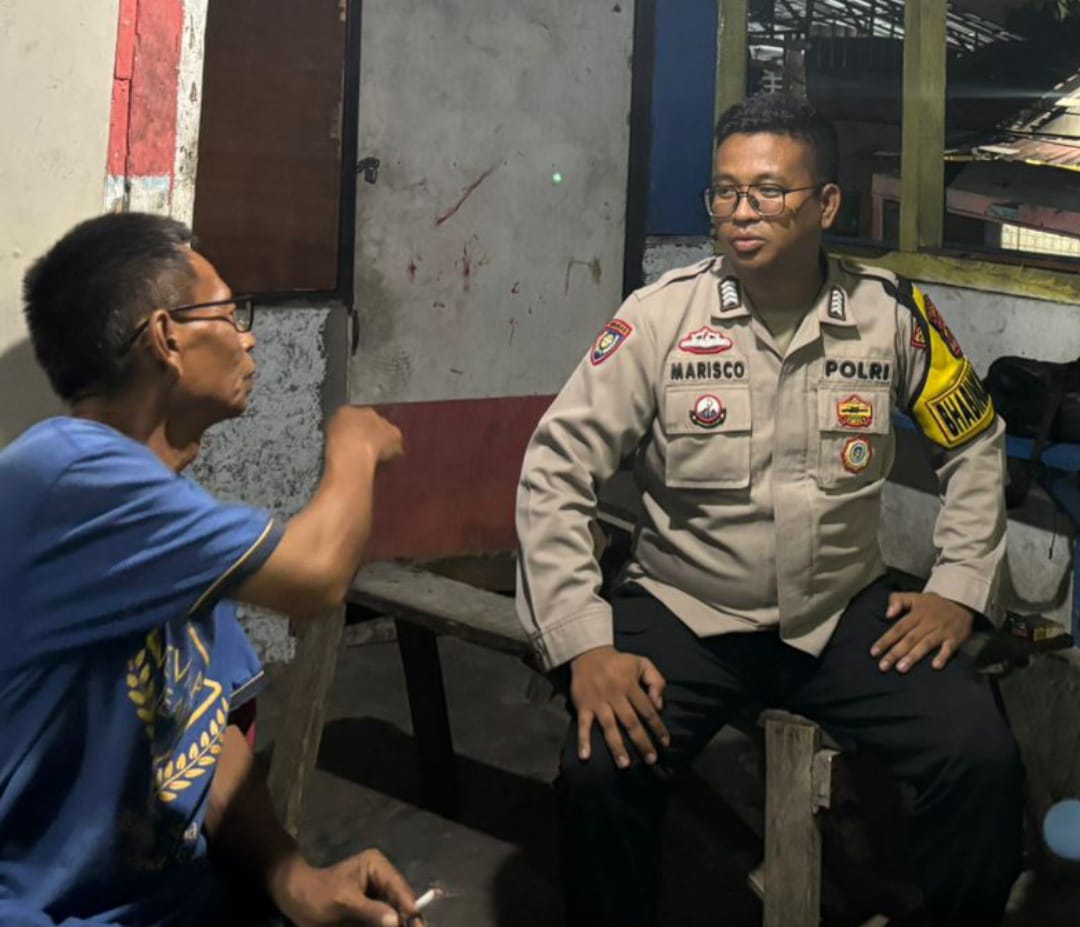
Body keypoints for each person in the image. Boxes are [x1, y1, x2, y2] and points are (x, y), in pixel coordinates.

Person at [515, 94, 1023, 927]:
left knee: (980, 757)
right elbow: (554, 469)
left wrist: (959, 586)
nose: (741, 212)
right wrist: (584, 644)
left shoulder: (891, 316)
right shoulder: (660, 319)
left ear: (827, 204)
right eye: (725, 192)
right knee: (599, 771)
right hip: (686, 606)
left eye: (768, 191)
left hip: (840, 612)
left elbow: (974, 441)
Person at [0, 213, 422, 927]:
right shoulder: (63, 474)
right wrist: (352, 445)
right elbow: (317, 576)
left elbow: (202, 723)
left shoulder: (164, 508)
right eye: (229, 314)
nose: (248, 337)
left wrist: (293, 876)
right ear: (167, 338)